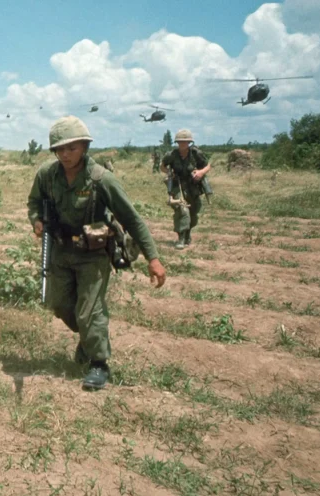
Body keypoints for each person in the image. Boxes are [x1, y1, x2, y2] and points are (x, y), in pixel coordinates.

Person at [27, 116, 167, 391]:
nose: (65, 154)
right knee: (60, 306)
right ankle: (91, 337)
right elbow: (34, 202)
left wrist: (153, 258)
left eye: (72, 148)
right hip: (60, 251)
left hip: (93, 254)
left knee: (89, 312)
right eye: (60, 149)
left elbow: (133, 219)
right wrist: (36, 220)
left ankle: (99, 363)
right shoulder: (47, 174)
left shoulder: (101, 179)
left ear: (84, 147)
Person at [160, 129, 211, 249]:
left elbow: (208, 165)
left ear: (189, 142)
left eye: (185, 142)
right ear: (177, 143)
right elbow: (162, 166)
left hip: (193, 186)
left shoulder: (196, 153)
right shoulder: (171, 155)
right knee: (182, 210)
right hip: (178, 186)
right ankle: (181, 238)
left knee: (194, 212)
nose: (183, 144)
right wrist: (169, 172)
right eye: (180, 142)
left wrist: (200, 172)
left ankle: (187, 233)